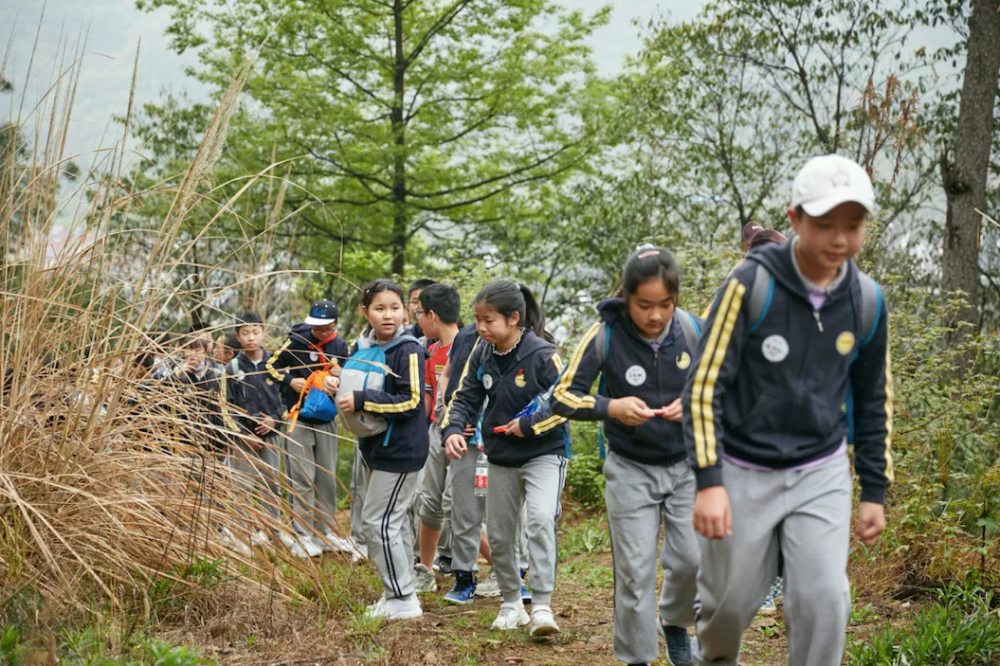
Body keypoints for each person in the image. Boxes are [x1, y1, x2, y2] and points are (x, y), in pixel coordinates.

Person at [682, 154, 892, 666]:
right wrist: (709, 482)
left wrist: (874, 490)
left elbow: (871, 400)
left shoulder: (865, 300)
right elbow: (703, 386)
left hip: (820, 470)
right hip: (740, 469)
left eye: (853, 224)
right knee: (727, 610)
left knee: (824, 600)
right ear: (795, 220)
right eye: (824, 225)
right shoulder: (750, 285)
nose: (840, 239)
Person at [552, 246, 701, 666]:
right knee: (635, 574)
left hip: (688, 467)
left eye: (665, 305)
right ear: (626, 296)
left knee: (692, 560)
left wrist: (692, 402)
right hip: (631, 469)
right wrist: (610, 407)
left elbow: (725, 382)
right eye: (644, 305)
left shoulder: (692, 330)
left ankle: (673, 621)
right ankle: (637, 657)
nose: (656, 316)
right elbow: (562, 397)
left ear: (676, 299)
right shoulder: (605, 336)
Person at [442, 281, 568, 637]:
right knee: (499, 534)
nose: (480, 328)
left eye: (488, 320)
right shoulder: (482, 352)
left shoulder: (542, 354)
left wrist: (529, 426)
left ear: (514, 318)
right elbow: (463, 395)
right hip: (501, 458)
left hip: (544, 453)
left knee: (541, 520)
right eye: (478, 320)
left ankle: (541, 605)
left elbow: (567, 401)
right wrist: (452, 429)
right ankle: (512, 603)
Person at [337, 279, 429, 622]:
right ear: (365, 312)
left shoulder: (408, 350)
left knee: (378, 522)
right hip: (375, 447)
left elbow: (412, 400)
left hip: (401, 450)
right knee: (396, 523)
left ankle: (403, 599)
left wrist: (362, 400)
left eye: (394, 308)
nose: (387, 315)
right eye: (379, 308)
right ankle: (401, 590)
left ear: (406, 312)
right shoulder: (364, 347)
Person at [266, 299, 354, 558]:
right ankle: (302, 535)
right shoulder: (296, 340)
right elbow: (271, 366)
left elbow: (348, 378)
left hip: (326, 419)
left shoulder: (339, 346)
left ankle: (323, 532)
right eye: (318, 327)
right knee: (302, 477)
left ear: (335, 324)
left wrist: (340, 374)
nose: (322, 332)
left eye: (327, 327)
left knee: (326, 477)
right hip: (298, 418)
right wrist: (291, 380)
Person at [219, 313, 286, 553]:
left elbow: (286, 400)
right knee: (242, 486)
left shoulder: (276, 363)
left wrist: (275, 420)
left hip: (271, 436)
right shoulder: (232, 368)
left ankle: (272, 534)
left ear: (263, 333)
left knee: (271, 486)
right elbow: (226, 407)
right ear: (238, 336)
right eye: (245, 333)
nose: (251, 338)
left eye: (255, 332)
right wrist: (242, 433)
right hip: (243, 440)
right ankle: (241, 535)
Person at [412, 284, 462, 594]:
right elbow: (430, 399)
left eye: (419, 313)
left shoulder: (468, 347)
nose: (417, 320)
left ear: (432, 315)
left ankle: (503, 568)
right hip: (434, 432)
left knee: (458, 506)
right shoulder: (431, 351)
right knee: (429, 503)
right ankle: (424, 571)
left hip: (462, 437)